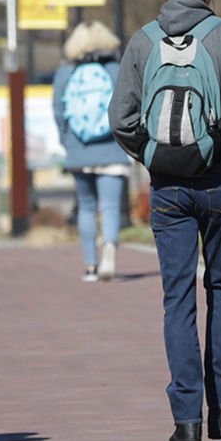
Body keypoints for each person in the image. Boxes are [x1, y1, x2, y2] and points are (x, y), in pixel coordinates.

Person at [109, 0, 221, 441]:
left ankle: (186, 422)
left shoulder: (143, 42)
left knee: (176, 298)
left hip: (169, 189)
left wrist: (154, 156)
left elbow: (120, 117)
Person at [53, 20, 129, 282]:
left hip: (79, 150)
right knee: (110, 207)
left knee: (86, 207)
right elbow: (125, 106)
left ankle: (90, 266)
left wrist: (68, 143)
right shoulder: (114, 69)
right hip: (111, 148)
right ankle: (109, 250)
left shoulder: (65, 73)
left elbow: (59, 113)